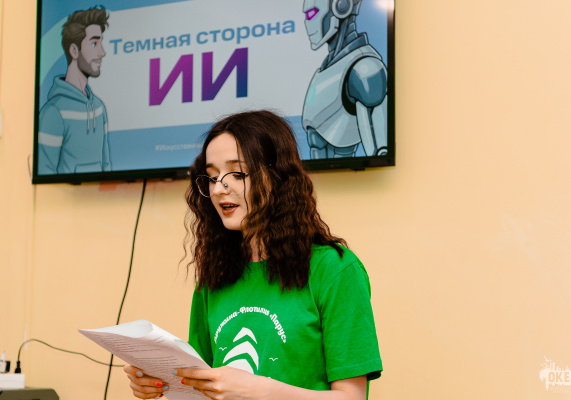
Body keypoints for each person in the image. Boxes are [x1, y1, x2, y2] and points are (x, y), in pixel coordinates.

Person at [124, 110, 382, 399]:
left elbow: (352, 397)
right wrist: (161, 382)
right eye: (212, 177)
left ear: (277, 176)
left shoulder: (335, 269)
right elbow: (202, 386)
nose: (219, 189)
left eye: (237, 174)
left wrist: (262, 390)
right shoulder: (215, 274)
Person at [302, 0, 388, 159]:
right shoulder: (327, 69)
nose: (307, 22)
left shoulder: (364, 68)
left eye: (312, 14)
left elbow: (380, 152)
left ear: (341, 6)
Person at [38, 5, 111, 174]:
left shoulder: (99, 108)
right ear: (74, 50)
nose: (102, 52)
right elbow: (45, 170)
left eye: (101, 43)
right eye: (94, 44)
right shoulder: (53, 112)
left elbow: (106, 166)